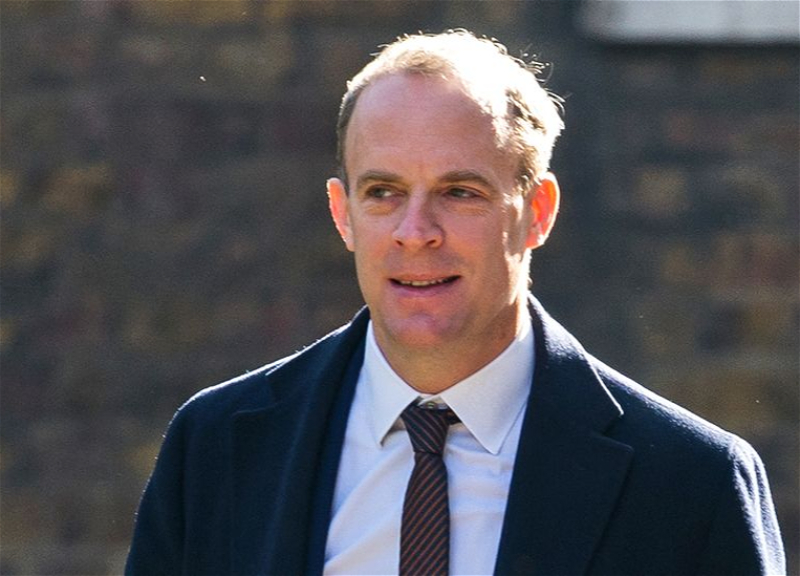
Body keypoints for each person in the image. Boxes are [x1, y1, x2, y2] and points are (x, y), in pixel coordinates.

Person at [126, 30, 785, 576]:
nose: (416, 231)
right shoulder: (215, 447)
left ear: (537, 212)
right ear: (342, 212)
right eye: (383, 192)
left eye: (460, 192)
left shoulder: (690, 484)